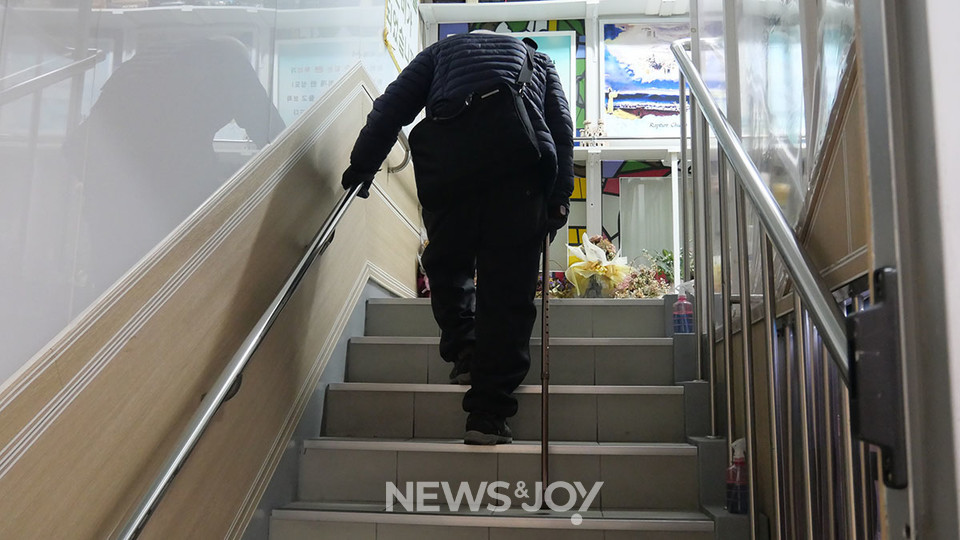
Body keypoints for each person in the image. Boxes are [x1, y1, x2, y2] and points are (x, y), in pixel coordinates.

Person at [341, 31, 573, 445]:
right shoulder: (539, 63)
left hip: (450, 170)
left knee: (447, 265)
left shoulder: (439, 53)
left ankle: (465, 349)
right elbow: (560, 128)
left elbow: (390, 108)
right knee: (507, 294)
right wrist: (558, 199)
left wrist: (362, 166)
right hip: (518, 177)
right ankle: (487, 414)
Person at [63, 36, 284, 303]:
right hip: (146, 173)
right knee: (180, 273)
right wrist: (300, 171)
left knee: (115, 286)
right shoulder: (229, 59)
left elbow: (82, 142)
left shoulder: (160, 54)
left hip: (97, 164)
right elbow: (269, 128)